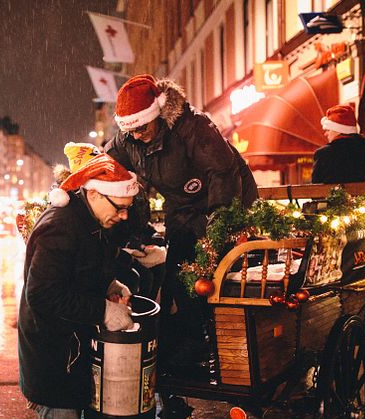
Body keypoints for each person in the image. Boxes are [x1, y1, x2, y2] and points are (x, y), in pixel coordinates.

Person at [104, 74, 258, 372]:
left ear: (157, 115)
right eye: (130, 130)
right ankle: (192, 344)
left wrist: (220, 226)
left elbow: (223, 173)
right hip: (182, 209)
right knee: (176, 278)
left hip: (225, 200)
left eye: (141, 128)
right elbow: (106, 165)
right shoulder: (129, 138)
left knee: (215, 277)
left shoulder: (193, 127)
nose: (136, 135)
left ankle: (230, 348)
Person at [18, 153, 140, 418]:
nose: (124, 215)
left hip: (70, 355)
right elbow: (43, 294)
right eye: (119, 207)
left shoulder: (86, 218)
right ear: (94, 194)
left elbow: (80, 268)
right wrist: (103, 311)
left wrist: (109, 284)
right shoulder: (62, 226)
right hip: (54, 360)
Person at [312, 104, 365, 184]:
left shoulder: (323, 154)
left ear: (338, 130)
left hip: (331, 196)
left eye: (328, 130)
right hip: (360, 196)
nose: (326, 134)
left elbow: (315, 188)